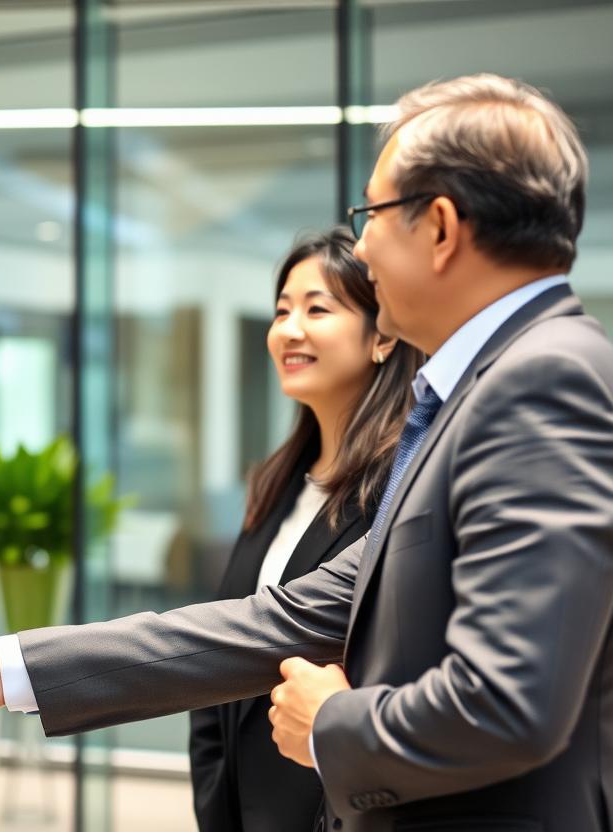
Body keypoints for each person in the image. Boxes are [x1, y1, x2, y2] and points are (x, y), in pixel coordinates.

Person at [0, 74, 613, 832]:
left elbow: (510, 701)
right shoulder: (484, 390)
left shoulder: (541, 381)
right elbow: (278, 619)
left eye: (371, 212)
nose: (365, 243)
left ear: (441, 228)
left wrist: (330, 726)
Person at [189, 229, 420, 832]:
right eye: (281, 310)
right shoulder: (275, 484)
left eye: (318, 308)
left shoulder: (401, 490)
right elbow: (224, 649)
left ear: (383, 336)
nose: (289, 329)